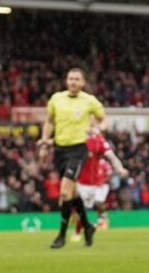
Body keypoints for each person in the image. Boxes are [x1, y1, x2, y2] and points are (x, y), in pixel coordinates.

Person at [38, 68, 105, 248]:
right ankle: (88, 226)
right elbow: (50, 121)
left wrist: (98, 129)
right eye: (70, 78)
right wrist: (45, 143)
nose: (73, 82)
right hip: (60, 150)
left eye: (77, 79)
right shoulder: (56, 99)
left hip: (79, 149)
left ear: (83, 83)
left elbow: (103, 119)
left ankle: (61, 235)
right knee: (73, 194)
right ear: (66, 81)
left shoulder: (89, 101)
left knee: (65, 192)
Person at [73, 133, 128, 240]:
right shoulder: (79, 140)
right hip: (82, 183)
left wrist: (119, 169)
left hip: (99, 186)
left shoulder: (100, 147)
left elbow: (109, 170)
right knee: (80, 210)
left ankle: (102, 219)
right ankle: (80, 230)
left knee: (98, 202)